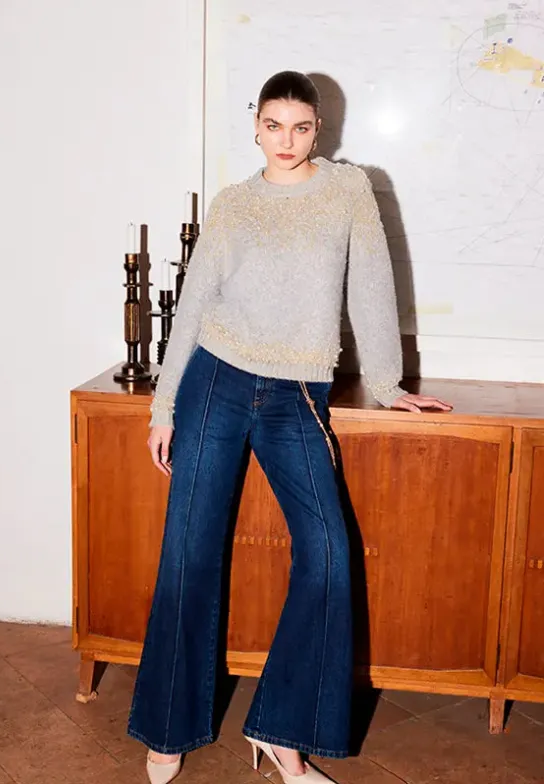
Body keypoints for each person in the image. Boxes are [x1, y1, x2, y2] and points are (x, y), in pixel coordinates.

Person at [127, 70, 453, 784]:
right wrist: (163, 406)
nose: (287, 140)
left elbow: (372, 284)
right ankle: (167, 727)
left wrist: (388, 385)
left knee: (329, 553)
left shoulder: (348, 190)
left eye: (301, 127)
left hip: (296, 394)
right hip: (216, 381)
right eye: (274, 125)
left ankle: (280, 733)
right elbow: (194, 304)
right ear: (256, 126)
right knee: (188, 552)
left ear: (318, 129)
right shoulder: (234, 204)